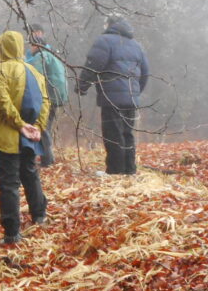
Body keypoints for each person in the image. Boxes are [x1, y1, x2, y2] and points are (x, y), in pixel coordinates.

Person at [0, 31, 49, 244]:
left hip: (6, 137)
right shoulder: (34, 71)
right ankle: (40, 215)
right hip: (30, 136)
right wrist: (38, 127)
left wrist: (20, 125)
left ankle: (12, 232)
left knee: (8, 184)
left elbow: (4, 103)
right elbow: (45, 101)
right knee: (31, 175)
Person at [77, 15, 149, 176]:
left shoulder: (105, 41)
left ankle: (115, 171)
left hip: (111, 97)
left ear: (109, 24)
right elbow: (145, 73)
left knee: (113, 134)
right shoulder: (137, 45)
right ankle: (129, 170)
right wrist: (136, 92)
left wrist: (82, 85)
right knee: (127, 134)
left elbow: (93, 65)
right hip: (131, 98)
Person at [26, 24, 68, 166]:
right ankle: (47, 157)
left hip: (48, 96)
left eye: (31, 45)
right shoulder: (52, 54)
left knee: (43, 127)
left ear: (36, 46)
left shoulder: (41, 56)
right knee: (46, 126)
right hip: (57, 96)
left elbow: (34, 75)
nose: (30, 48)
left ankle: (47, 159)